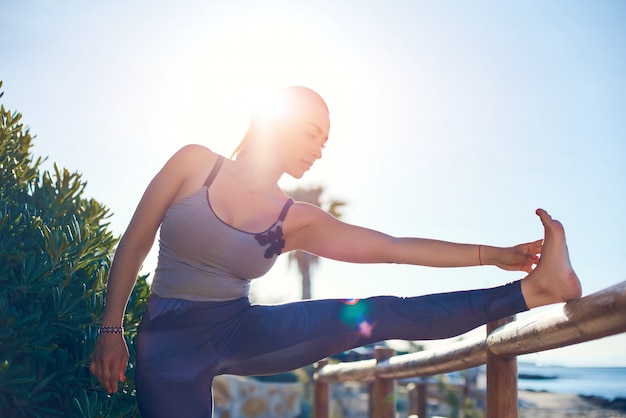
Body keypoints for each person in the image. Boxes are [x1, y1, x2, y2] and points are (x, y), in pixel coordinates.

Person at [89, 86, 582, 417]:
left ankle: (533, 290)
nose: (319, 149)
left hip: (238, 328)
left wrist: (494, 254)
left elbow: (393, 248)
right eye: (311, 134)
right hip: (166, 345)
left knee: (380, 313)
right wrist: (112, 328)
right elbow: (135, 241)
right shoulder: (194, 164)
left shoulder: (296, 218)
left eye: (325, 141)